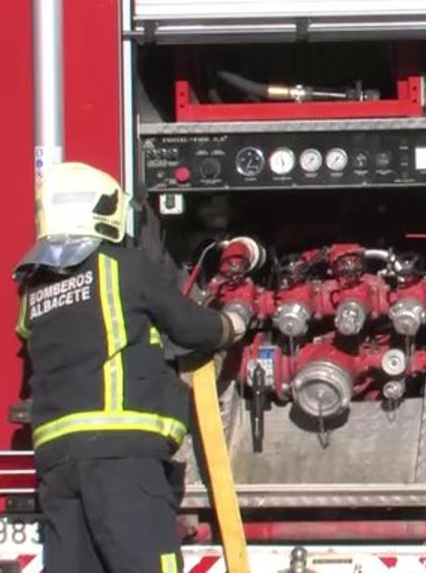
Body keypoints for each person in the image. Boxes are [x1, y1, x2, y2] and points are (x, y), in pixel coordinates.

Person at [13, 161, 252, 573]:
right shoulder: (123, 265)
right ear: (105, 211)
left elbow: (29, 341)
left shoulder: (34, 287)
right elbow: (189, 326)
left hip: (56, 462)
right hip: (120, 453)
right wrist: (232, 323)